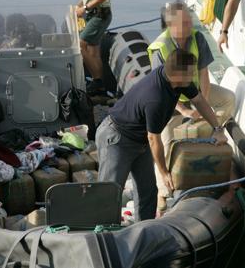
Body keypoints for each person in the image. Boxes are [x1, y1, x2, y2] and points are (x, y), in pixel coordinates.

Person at [96, 49, 228, 221]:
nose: (193, 76)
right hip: (117, 138)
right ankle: (101, 234)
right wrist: (164, 172)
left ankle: (145, 230)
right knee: (110, 194)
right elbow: (154, 139)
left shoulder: (180, 80)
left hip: (139, 140)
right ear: (178, 75)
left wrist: (217, 128)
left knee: (148, 191)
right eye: (191, 73)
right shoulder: (155, 97)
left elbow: (199, 101)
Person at [147, 0, 235, 213]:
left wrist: (202, 105)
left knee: (228, 99)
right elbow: (162, 87)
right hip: (172, 96)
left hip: (195, 91)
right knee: (165, 137)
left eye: (189, 21)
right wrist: (185, 111)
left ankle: (204, 137)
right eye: (184, 23)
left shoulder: (197, 38)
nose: (189, 26)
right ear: (171, 25)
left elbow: (204, 73)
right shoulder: (160, 47)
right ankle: (163, 192)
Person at [62, 0, 112, 95]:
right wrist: (77, 7)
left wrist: (84, 8)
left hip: (101, 15)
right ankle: (101, 88)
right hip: (91, 14)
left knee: (80, 45)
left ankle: (97, 81)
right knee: (93, 52)